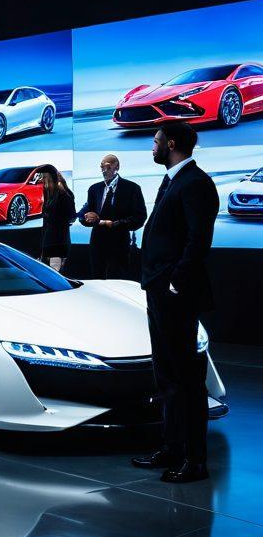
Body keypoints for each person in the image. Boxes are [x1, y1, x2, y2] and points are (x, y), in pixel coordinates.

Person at [132, 121, 218, 483]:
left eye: (156, 142)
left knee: (186, 379)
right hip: (159, 290)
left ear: (171, 143)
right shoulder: (172, 180)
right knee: (166, 376)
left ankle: (195, 461)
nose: (152, 147)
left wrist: (175, 282)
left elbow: (198, 241)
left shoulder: (196, 182)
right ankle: (171, 447)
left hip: (176, 294)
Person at [77, 154, 147, 279]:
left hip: (120, 244)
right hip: (97, 244)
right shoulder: (94, 189)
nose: (104, 170)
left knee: (119, 280)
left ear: (117, 167)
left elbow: (140, 217)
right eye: (102, 167)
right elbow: (83, 214)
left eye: (108, 167)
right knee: (98, 281)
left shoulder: (132, 188)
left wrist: (115, 224)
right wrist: (87, 218)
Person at [36, 165, 76, 273]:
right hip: (48, 242)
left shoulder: (64, 194)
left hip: (58, 243)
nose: (42, 181)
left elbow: (72, 216)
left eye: (44, 178)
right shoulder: (49, 194)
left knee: (54, 274)